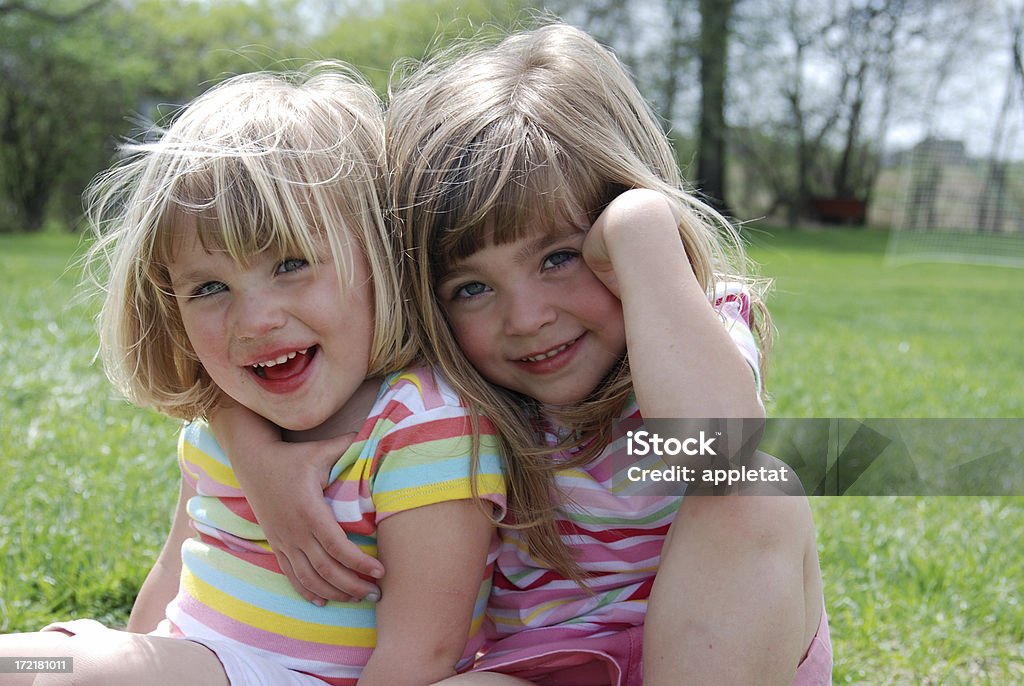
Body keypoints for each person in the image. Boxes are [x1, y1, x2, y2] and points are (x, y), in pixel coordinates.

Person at [228, 22, 832, 686]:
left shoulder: (695, 327)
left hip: (723, 656)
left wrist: (643, 229)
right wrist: (259, 462)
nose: (527, 319)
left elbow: (720, 451)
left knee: (757, 490)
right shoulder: (444, 381)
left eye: (559, 257)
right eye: (473, 287)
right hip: (548, 665)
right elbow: (251, 373)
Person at [0, 64, 506, 686]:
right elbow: (174, 579)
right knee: (25, 663)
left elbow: (422, 654)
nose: (255, 320)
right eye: (209, 287)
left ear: (380, 257)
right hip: (190, 661)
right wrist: (136, 654)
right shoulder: (224, 423)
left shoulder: (423, 425)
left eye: (291, 263)